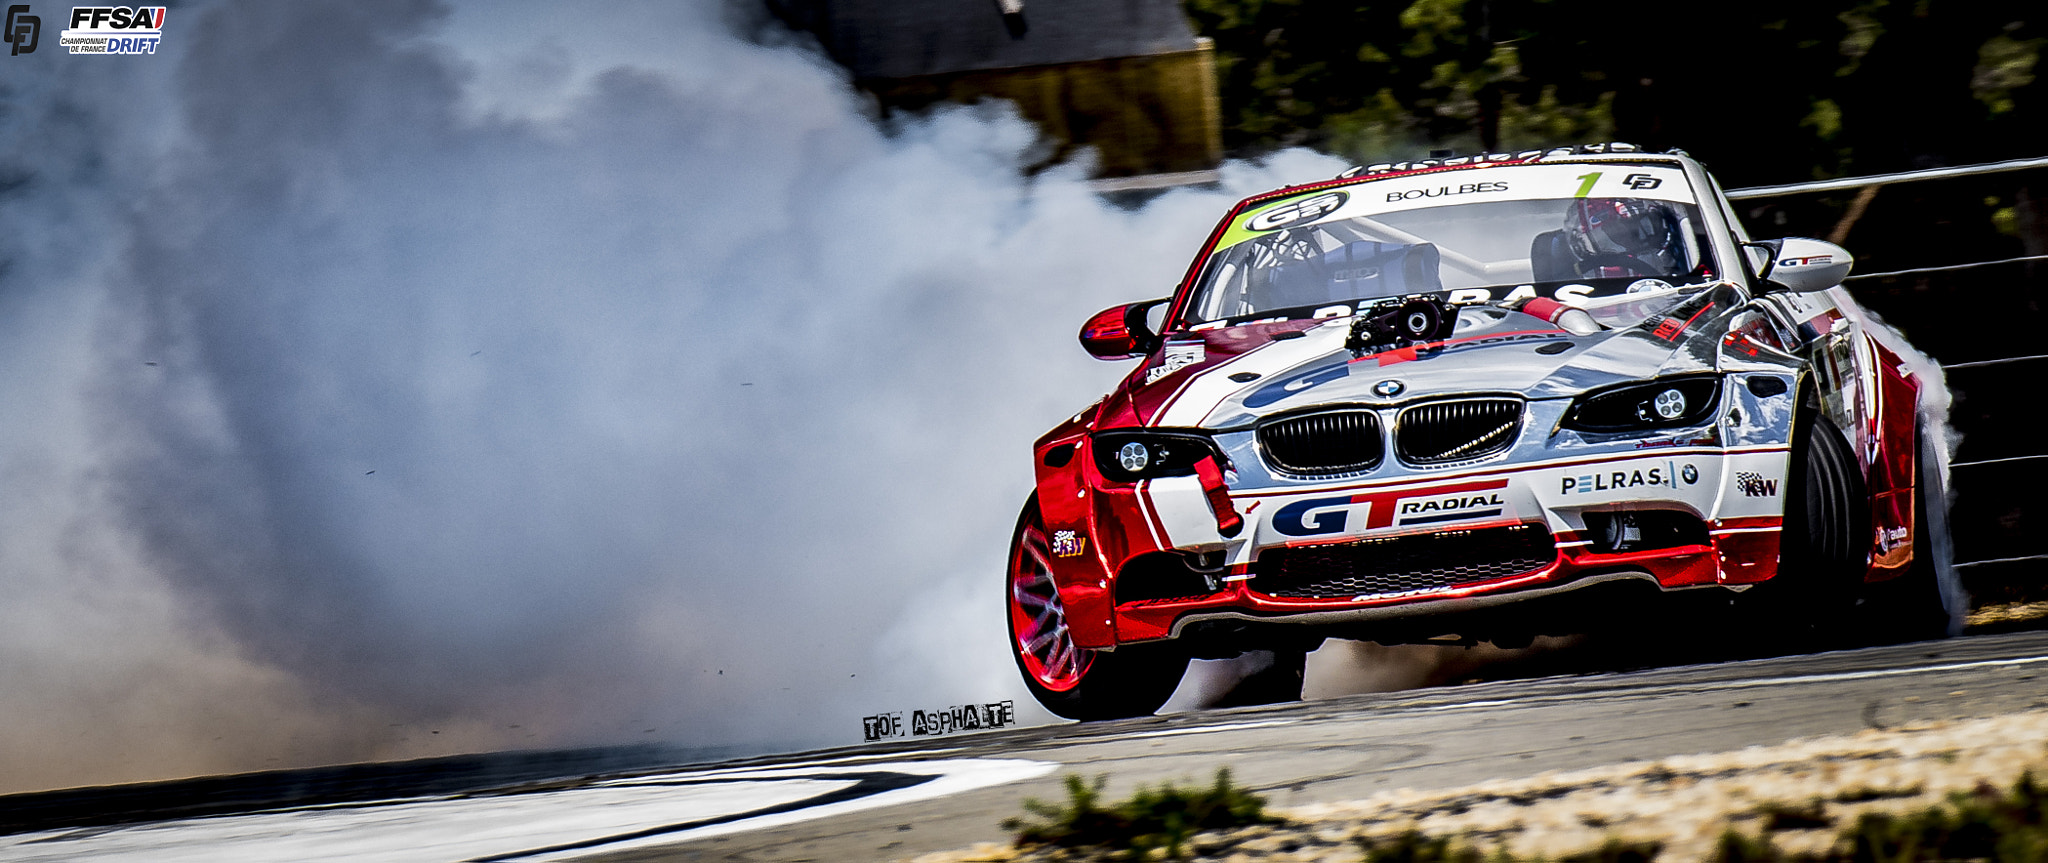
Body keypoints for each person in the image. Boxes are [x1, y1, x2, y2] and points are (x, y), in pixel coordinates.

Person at [1531, 198, 1688, 281]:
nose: (1628, 250)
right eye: (1616, 236)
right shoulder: (1566, 307)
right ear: (1579, 246)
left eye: (1644, 230)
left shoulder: (1699, 278)